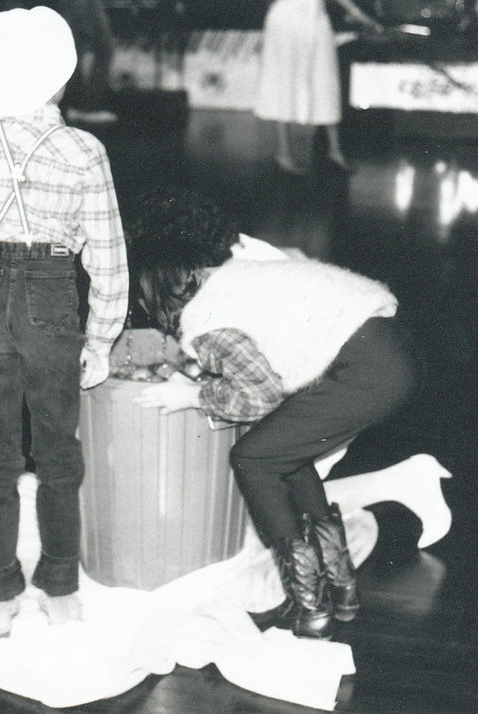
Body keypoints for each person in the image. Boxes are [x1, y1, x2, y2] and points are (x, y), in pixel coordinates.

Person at [0, 7, 128, 639]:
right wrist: (100, 337)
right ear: (62, 77)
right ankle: (62, 587)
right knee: (57, 451)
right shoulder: (83, 151)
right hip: (51, 298)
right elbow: (107, 255)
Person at [132, 238, 418, 640]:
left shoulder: (207, 319)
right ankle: (342, 588)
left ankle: (310, 607)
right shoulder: (232, 280)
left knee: (253, 459)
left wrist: (191, 395)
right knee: (284, 450)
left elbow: (258, 395)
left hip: (366, 371)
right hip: (391, 350)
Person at [253, 0, 381, 173]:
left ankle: (335, 151)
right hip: (285, 20)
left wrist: (357, 13)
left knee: (325, 82)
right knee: (283, 83)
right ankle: (284, 153)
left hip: (315, 20)